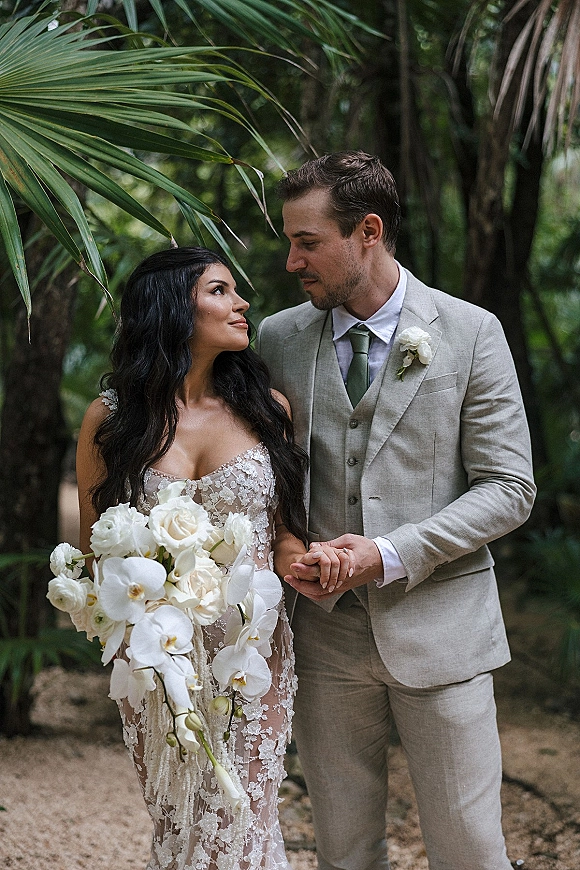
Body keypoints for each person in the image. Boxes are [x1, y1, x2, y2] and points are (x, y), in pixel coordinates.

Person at [256, 151, 537, 870]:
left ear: (368, 231)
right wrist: (291, 546)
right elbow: (266, 474)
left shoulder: (472, 333)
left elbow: (510, 487)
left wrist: (386, 553)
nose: (292, 261)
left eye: (307, 241)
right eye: (289, 240)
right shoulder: (278, 339)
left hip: (443, 632)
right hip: (324, 641)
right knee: (345, 852)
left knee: (469, 850)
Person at [76, 246, 350, 870]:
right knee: (177, 814)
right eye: (220, 291)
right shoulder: (111, 421)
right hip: (156, 658)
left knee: (245, 816)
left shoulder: (267, 411)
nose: (242, 303)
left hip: (248, 651)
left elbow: (283, 534)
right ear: (174, 308)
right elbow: (96, 549)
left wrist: (304, 562)